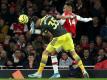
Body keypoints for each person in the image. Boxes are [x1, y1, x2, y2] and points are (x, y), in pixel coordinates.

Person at [28, 14, 89, 78]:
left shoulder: (43, 24)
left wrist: (34, 31)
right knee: (70, 53)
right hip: (67, 35)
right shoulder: (47, 16)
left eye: (35, 24)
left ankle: (39, 73)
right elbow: (54, 20)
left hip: (59, 37)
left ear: (37, 21)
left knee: (45, 53)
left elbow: (47, 34)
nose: (36, 26)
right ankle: (83, 70)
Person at [50, 2, 93, 78]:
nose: (64, 9)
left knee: (53, 54)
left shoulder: (64, 15)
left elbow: (61, 22)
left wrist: (54, 21)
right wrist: (91, 18)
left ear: (69, 8)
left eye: (65, 7)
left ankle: (56, 73)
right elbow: (84, 20)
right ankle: (83, 70)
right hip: (70, 38)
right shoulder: (75, 16)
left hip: (64, 37)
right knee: (74, 54)